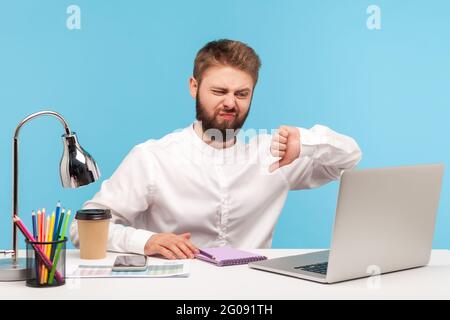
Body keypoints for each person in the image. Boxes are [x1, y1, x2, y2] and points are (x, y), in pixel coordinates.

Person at [70, 39, 362, 260]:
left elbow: (348, 159)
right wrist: (145, 241)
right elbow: (81, 230)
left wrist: (306, 141)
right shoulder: (153, 157)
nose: (231, 103)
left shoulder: (275, 154)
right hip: (177, 290)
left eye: (242, 94)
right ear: (194, 87)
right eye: (219, 91)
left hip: (253, 290)